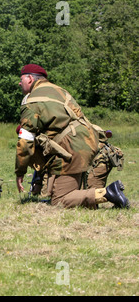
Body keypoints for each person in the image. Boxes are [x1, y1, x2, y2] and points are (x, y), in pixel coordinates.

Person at [15, 63, 129, 208]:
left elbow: (25, 139)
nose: (20, 83)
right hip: (87, 140)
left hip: (70, 147)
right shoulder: (60, 91)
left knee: (60, 201)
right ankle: (104, 195)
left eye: (21, 79)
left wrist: (20, 171)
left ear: (30, 79)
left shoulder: (32, 100)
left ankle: (108, 193)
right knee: (69, 192)